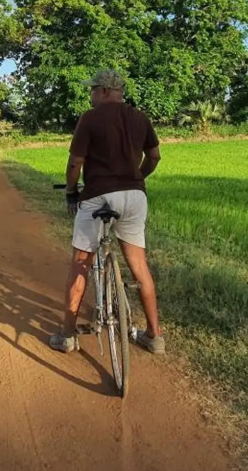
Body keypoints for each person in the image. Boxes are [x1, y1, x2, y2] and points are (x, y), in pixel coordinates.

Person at [48, 69, 165, 355]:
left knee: (81, 263)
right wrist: (138, 176)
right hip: (136, 197)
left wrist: (71, 191)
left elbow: (76, 162)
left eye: (92, 90)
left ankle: (67, 335)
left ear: (102, 91)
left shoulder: (91, 118)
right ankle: (154, 336)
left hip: (99, 197)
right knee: (139, 266)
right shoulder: (139, 117)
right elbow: (154, 156)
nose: (90, 95)